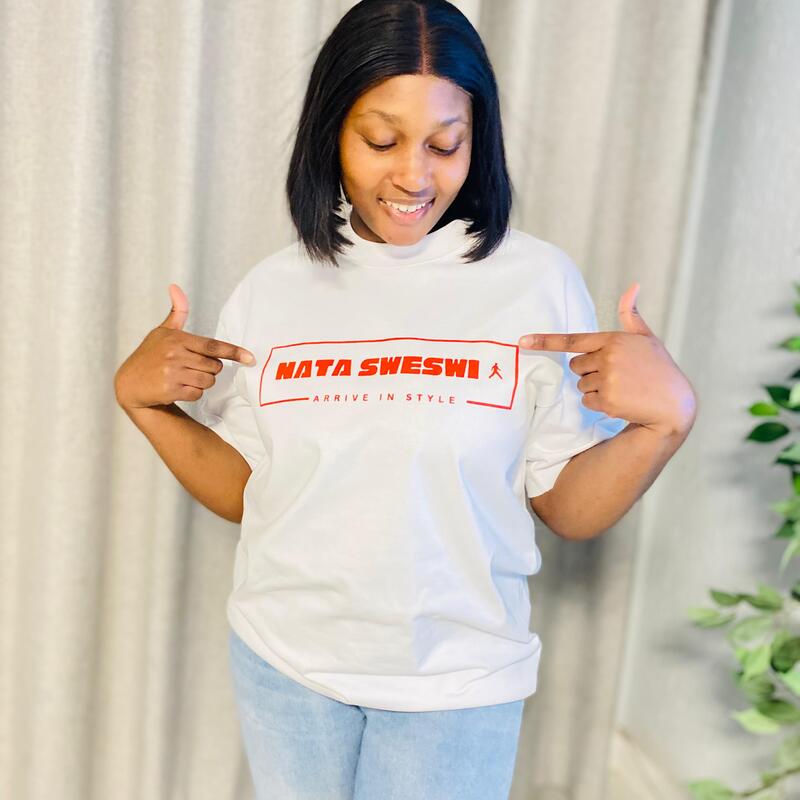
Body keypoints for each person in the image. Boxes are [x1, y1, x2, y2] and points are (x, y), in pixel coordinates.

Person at [114, 1, 697, 798]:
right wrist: (146, 405)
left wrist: (665, 422)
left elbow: (566, 506)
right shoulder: (275, 288)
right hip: (285, 665)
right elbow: (255, 488)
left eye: (445, 144)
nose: (415, 176)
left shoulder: (535, 282)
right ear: (332, 133)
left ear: (477, 141)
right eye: (382, 141)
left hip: (454, 682)